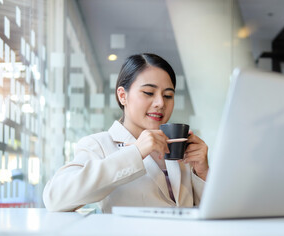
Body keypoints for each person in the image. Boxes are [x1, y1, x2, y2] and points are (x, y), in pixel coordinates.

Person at [43, 53, 209, 213]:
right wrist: (135, 152)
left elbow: (206, 213)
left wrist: (203, 173)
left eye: (168, 95)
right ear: (123, 96)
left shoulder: (180, 149)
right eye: (149, 93)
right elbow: (55, 198)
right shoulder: (99, 145)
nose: (160, 103)